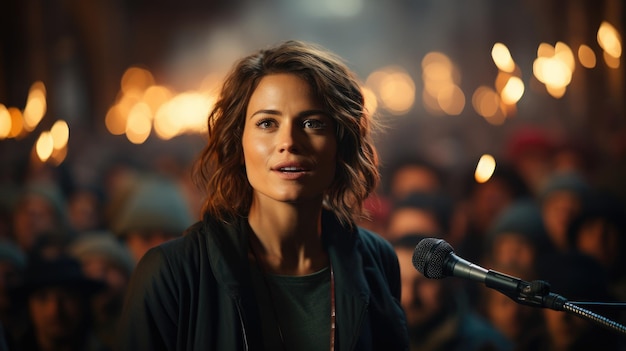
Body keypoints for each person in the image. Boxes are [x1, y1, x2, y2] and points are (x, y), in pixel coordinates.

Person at [115, 40, 409, 350]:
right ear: (238, 142)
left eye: (312, 123)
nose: (289, 142)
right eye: (267, 123)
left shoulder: (375, 260)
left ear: (340, 143)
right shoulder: (173, 273)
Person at [392, 234, 512, 351]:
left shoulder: (484, 343)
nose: (410, 297)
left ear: (448, 282)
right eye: (401, 281)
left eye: (423, 282)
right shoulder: (379, 336)